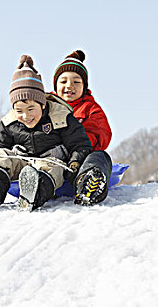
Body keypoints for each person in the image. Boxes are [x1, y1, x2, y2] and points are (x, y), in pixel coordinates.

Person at [0, 54, 92, 212]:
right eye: (19, 110)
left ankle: (33, 195)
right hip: (22, 163)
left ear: (42, 104)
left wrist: (75, 163)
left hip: (51, 162)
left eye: (31, 109)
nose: (26, 116)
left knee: (50, 168)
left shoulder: (60, 116)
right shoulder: (9, 122)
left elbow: (80, 144)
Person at [51, 50, 113, 205]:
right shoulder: (47, 108)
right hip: (53, 160)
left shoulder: (90, 108)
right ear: (55, 85)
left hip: (81, 160)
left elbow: (101, 134)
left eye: (76, 82)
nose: (69, 86)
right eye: (63, 81)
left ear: (84, 86)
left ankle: (88, 182)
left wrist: (80, 144)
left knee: (101, 156)